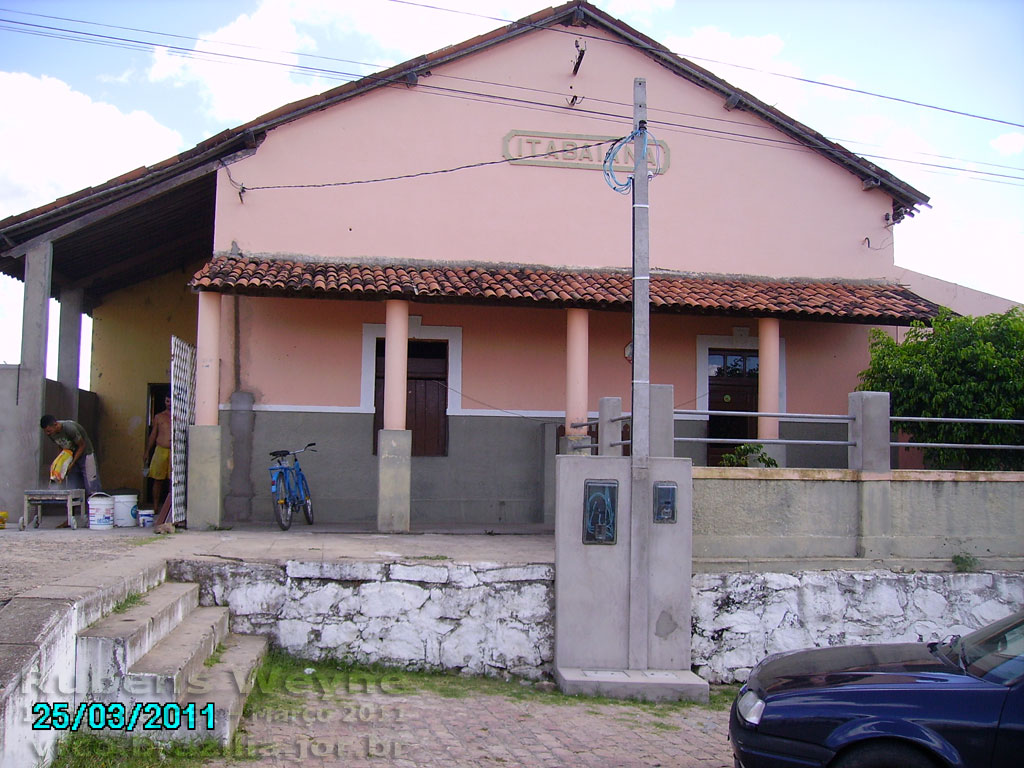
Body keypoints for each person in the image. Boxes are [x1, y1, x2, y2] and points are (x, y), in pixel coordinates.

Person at [40, 415, 102, 501]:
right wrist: (62, 462)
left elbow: (82, 445)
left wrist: (72, 463)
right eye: (46, 432)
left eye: (49, 431)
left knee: (91, 485)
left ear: (55, 424)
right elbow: (60, 445)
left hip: (85, 454)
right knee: (73, 488)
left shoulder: (69, 428)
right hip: (70, 456)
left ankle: (96, 509)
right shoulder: (52, 434)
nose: (48, 434)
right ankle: (76, 512)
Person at [145, 395, 172, 510]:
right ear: (164, 402)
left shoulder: (180, 416)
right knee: (158, 480)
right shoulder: (159, 417)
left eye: (171, 401)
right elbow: (153, 435)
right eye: (167, 401)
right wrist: (147, 451)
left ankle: (171, 508)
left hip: (174, 451)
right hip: (160, 450)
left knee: (173, 480)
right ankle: (155, 506)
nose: (169, 404)